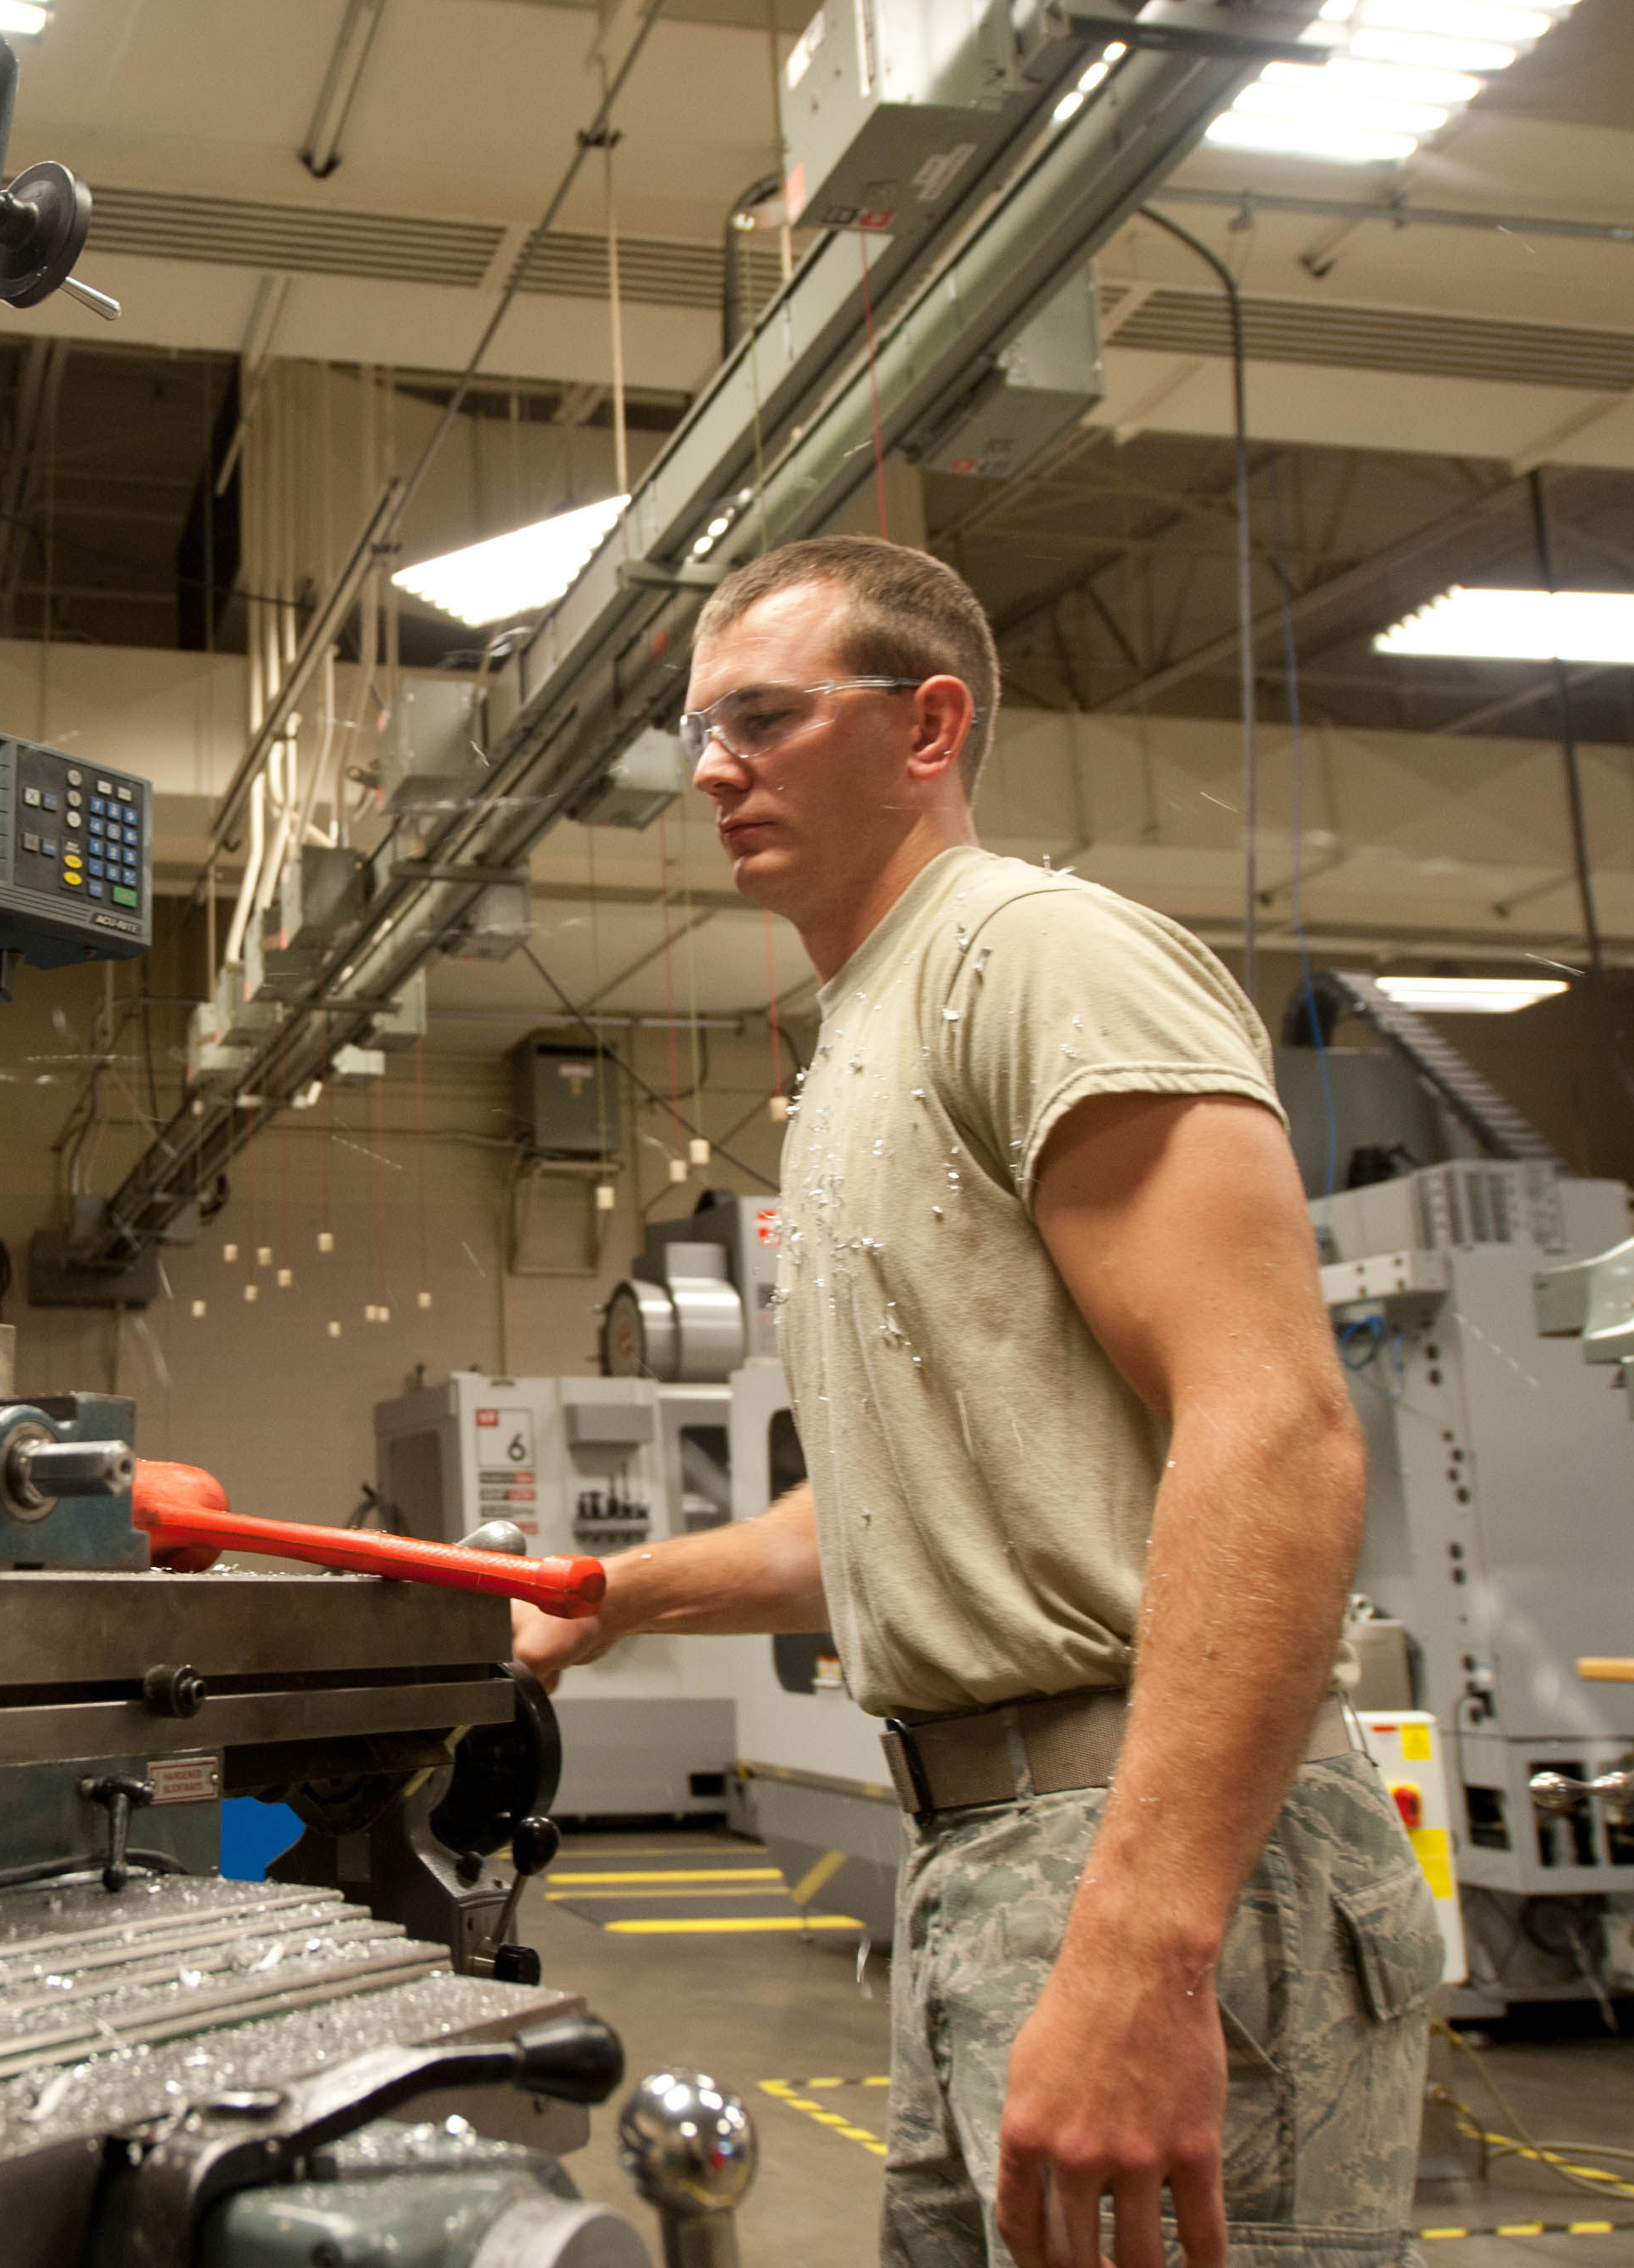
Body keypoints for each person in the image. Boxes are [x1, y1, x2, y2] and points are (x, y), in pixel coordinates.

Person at [514, 536, 1435, 2268]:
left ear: (927, 727)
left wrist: (1143, 1945)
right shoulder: (862, 1030)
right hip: (981, 1855)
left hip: (1135, 1851)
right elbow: (898, 1519)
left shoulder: (1032, 958)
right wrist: (613, 1596)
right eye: (698, 730)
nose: (710, 768)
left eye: (764, 718)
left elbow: (1275, 1432)